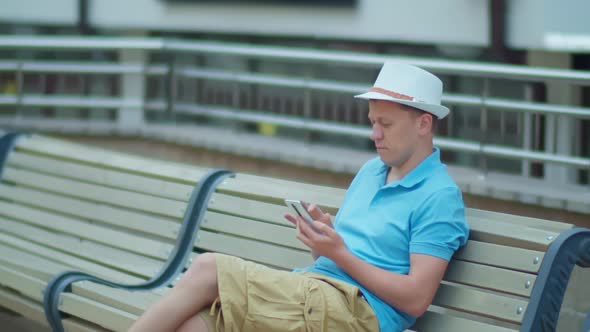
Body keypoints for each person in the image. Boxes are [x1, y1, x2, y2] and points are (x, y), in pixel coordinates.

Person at [129, 62, 469, 332]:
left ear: (424, 124)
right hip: (313, 291)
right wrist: (324, 234)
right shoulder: (371, 171)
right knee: (195, 326)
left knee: (207, 267)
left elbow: (415, 299)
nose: (374, 134)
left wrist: (338, 253)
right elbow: (354, 249)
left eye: (386, 124)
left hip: (358, 313)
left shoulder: (439, 196)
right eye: (372, 122)